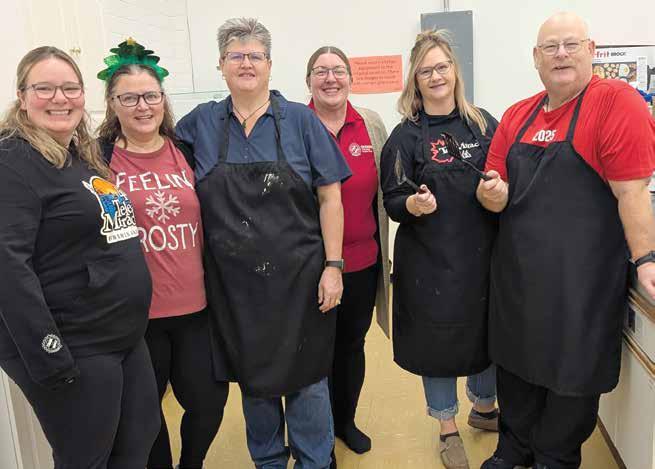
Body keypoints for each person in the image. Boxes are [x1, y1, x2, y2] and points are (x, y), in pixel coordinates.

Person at [477, 12, 655, 469]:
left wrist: (647, 259)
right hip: (518, 281)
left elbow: (632, 192)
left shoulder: (615, 103)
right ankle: (512, 450)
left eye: (571, 44)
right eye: (550, 47)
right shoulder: (518, 114)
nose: (561, 54)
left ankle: (554, 458)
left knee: (570, 380)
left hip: (581, 286)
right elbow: (494, 190)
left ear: (591, 51)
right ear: (535, 58)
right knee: (515, 371)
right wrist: (490, 193)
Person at [175, 18, 351, 469]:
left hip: (301, 280)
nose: (246, 64)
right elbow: (153, 154)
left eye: (255, 55)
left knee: (308, 382)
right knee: (254, 383)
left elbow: (330, 197)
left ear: (270, 64)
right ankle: (268, 461)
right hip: (235, 288)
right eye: (236, 56)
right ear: (221, 65)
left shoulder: (301, 121)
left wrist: (333, 267)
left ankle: (315, 461)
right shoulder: (200, 124)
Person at [0, 46, 159, 469]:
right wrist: (48, 353)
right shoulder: (12, 162)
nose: (60, 98)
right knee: (87, 458)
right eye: (45, 88)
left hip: (121, 336)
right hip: (75, 343)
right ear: (22, 96)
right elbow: (8, 267)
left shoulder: (76, 154)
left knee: (137, 443)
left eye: (70, 88)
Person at [96, 39, 229, 469]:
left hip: (196, 309)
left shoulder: (184, 151)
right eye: (129, 98)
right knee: (147, 414)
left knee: (209, 402)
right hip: (137, 317)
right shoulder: (97, 160)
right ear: (112, 103)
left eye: (151, 96)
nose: (143, 106)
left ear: (163, 99)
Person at [380, 30, 499, 469]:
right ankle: (447, 426)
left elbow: (506, 175)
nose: (435, 76)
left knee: (486, 331)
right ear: (415, 79)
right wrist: (414, 204)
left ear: (454, 70)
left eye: (442, 67)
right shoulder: (405, 137)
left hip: (481, 256)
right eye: (425, 70)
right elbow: (393, 199)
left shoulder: (483, 124)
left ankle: (485, 407)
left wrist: (497, 188)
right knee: (437, 342)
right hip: (428, 264)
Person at [305, 45, 390, 456]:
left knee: (351, 346)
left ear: (350, 79)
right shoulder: (295, 125)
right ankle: (316, 436)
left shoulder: (370, 125)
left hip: (362, 262)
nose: (330, 78)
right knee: (313, 353)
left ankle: (345, 421)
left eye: (338, 70)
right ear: (308, 81)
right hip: (310, 267)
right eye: (320, 71)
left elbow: (388, 188)